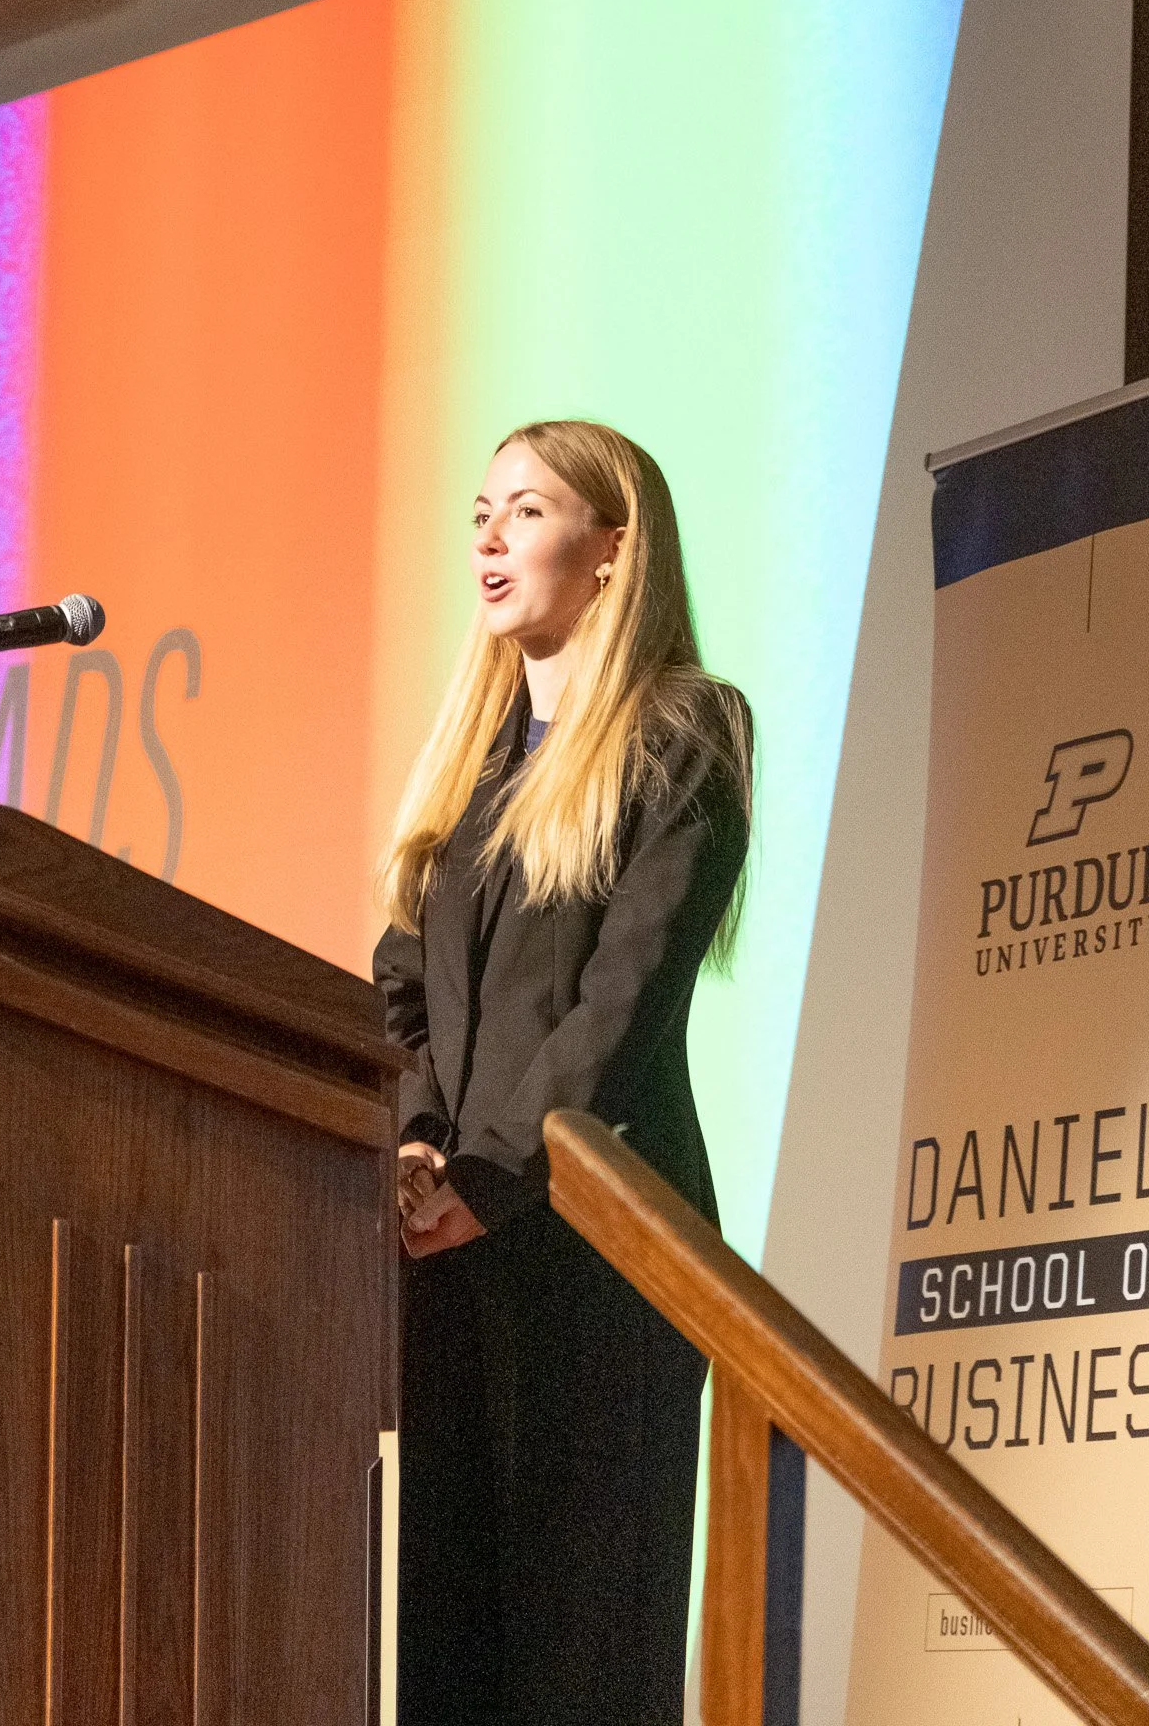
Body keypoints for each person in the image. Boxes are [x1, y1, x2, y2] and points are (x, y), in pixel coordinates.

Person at [374, 418, 751, 1726]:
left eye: (525, 511)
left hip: (602, 1246)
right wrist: (417, 1144)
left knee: (581, 1649)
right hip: (453, 1251)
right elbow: (400, 985)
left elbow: (622, 999)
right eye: (479, 510)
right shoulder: (469, 775)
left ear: (611, 548)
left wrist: (495, 1172)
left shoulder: (685, 731)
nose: (486, 536)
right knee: (448, 1646)